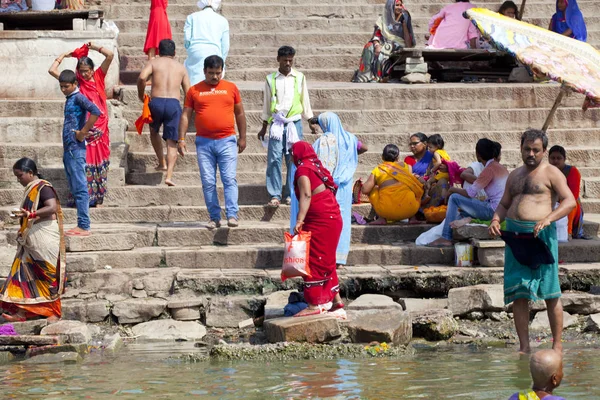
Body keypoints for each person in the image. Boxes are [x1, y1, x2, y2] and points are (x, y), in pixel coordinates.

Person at [489, 130, 576, 354]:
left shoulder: (552, 173)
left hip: (541, 236)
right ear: (520, 148)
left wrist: (548, 218)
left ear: (544, 151)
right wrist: (497, 218)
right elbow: (504, 203)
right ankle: (524, 347)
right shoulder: (514, 175)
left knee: (550, 291)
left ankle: (557, 346)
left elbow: (570, 201)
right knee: (519, 293)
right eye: (527, 149)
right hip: (515, 237)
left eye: (536, 150)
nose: (531, 153)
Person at [178, 55, 246, 229]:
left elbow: (239, 113)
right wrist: (181, 139)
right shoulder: (194, 91)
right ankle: (214, 217)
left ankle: (232, 215)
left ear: (222, 71)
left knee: (229, 178)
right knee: (208, 182)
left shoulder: (231, 88)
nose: (215, 77)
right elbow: (186, 115)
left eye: (218, 73)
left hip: (227, 140)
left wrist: (243, 136)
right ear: (204, 72)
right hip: (204, 143)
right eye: (211, 73)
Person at [290, 112, 367, 266]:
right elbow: (364, 147)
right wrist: (350, 155)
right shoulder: (350, 139)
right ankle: (339, 257)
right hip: (345, 188)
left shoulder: (323, 141)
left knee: (325, 222)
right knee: (342, 220)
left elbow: (314, 162)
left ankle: (325, 257)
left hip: (327, 187)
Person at [49, 42, 114, 208]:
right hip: (85, 130)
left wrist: (94, 47)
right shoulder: (76, 82)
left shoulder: (99, 76)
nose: (84, 74)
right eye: (81, 71)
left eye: (87, 71)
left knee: (100, 162)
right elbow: (52, 71)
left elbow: (110, 55)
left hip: (101, 129)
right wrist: (63, 56)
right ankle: (85, 199)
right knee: (84, 164)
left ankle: (98, 197)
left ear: (92, 70)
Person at [1, 159, 66, 322]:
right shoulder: (31, 189)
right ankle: (22, 313)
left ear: (31, 173)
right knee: (23, 272)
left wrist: (29, 215)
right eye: (16, 176)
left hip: (45, 237)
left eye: (20, 176)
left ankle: (53, 313)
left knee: (47, 275)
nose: (19, 180)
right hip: (31, 240)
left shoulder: (44, 187)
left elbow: (51, 207)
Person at [291, 142, 345, 317]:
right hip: (332, 217)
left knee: (314, 259)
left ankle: (314, 304)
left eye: (292, 153)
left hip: (320, 220)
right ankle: (337, 303)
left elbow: (306, 194)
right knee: (327, 259)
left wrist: (299, 220)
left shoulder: (303, 169)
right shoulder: (316, 167)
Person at [258, 46, 314, 208]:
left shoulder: (299, 77)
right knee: (274, 158)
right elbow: (267, 105)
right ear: (278, 60)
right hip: (276, 123)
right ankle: (275, 194)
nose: (288, 63)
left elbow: (305, 100)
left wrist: (310, 120)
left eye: (290, 60)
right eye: (285, 60)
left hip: (294, 123)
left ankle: (291, 193)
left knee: (294, 159)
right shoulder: (271, 79)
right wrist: (264, 126)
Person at [428, 139, 508, 247]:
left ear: (478, 155)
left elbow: (470, 193)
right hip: (502, 210)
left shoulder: (489, 170)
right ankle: (456, 230)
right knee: (463, 211)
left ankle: (446, 237)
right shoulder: (500, 168)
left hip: (494, 211)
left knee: (454, 198)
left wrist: (452, 190)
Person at [137, 39, 190, 186]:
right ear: (174, 52)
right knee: (172, 141)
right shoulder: (181, 67)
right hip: (173, 104)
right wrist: (186, 110)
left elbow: (142, 77)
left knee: (154, 132)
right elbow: (188, 92)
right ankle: (169, 176)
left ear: (159, 51)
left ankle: (161, 162)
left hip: (156, 103)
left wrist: (140, 94)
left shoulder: (154, 62)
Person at [54, 70, 101, 236]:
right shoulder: (70, 98)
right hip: (69, 149)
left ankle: (84, 225)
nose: (63, 89)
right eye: (61, 86)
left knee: (80, 188)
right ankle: (81, 224)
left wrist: (83, 132)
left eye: (66, 86)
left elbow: (96, 111)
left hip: (76, 148)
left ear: (74, 84)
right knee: (75, 187)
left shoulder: (79, 97)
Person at [352, 0, 415, 83]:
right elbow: (376, 35)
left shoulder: (405, 17)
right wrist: (377, 45)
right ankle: (365, 76)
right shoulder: (383, 19)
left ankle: (380, 76)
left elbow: (408, 44)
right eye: (397, 5)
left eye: (401, 5)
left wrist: (404, 24)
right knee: (368, 47)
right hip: (383, 41)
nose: (399, 7)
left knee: (386, 48)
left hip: (398, 44)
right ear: (390, 7)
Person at [361, 144, 424, 224]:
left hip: (386, 212)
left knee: (374, 188)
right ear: (397, 157)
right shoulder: (407, 167)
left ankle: (381, 218)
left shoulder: (378, 170)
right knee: (411, 186)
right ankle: (412, 218)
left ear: (382, 157)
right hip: (411, 209)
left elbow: (365, 190)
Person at [184, 0, 229, 85]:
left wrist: (191, 50)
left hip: (195, 50)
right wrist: (222, 60)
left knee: (193, 79)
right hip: (215, 51)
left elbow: (187, 38)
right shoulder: (223, 20)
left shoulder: (192, 17)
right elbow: (225, 45)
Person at [548, 145, 585, 239]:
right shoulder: (546, 170)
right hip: (550, 201)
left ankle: (568, 231)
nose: (555, 161)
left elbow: (573, 195)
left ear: (564, 159)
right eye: (552, 158)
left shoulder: (572, 172)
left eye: (558, 158)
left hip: (569, 204)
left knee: (570, 204)